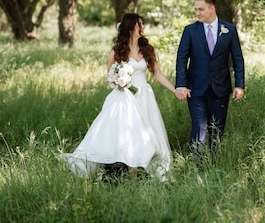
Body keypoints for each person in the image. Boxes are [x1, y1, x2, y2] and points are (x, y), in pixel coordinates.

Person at [63, 13, 186, 181]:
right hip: (125, 98)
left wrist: (175, 90)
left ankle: (146, 166)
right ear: (130, 28)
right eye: (139, 25)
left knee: (147, 133)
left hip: (144, 96)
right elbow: (110, 77)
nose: (143, 28)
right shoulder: (117, 52)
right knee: (129, 134)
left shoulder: (147, 49)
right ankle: (131, 173)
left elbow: (157, 73)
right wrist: (120, 84)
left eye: (142, 24)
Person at [175, 0, 245, 157]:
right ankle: (196, 165)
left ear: (212, 9)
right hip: (195, 89)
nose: (197, 13)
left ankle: (215, 163)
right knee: (199, 128)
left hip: (220, 88)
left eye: (201, 9)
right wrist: (181, 84)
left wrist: (239, 84)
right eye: (196, 9)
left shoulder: (229, 30)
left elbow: (237, 59)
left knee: (218, 129)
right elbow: (181, 58)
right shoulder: (190, 31)